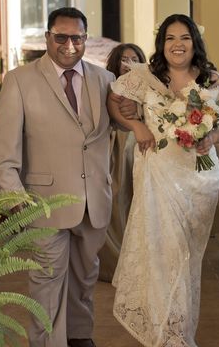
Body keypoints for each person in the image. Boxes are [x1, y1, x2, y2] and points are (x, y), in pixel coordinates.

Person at [107, 14, 219, 346]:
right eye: (170, 38)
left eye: (184, 37)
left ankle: (179, 330)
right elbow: (113, 98)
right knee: (160, 253)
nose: (177, 44)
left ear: (195, 42)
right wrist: (137, 126)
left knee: (186, 258)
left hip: (198, 179)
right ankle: (168, 336)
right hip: (157, 174)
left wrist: (211, 139)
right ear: (161, 44)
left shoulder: (216, 83)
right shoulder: (147, 78)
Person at [0, 7, 114, 347]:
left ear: (85, 39)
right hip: (43, 204)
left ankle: (79, 337)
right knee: (46, 283)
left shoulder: (105, 81)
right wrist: (20, 205)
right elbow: (4, 156)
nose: (69, 45)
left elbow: (125, 128)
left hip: (93, 203)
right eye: (61, 37)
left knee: (84, 279)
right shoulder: (19, 81)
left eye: (77, 37)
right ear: (48, 37)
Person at [98, 43, 147, 282]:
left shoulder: (150, 87)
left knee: (138, 201)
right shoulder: (108, 86)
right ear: (116, 63)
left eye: (134, 58)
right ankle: (115, 263)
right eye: (124, 59)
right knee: (117, 198)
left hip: (141, 148)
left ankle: (139, 262)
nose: (128, 63)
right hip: (116, 148)